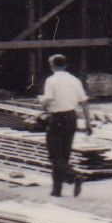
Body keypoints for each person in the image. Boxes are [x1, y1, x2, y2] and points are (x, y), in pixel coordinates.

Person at [40, 54, 92, 198]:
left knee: (54, 155)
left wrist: (42, 103)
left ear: (52, 65)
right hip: (71, 118)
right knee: (64, 155)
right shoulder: (75, 80)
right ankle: (56, 191)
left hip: (57, 118)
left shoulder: (51, 81)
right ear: (65, 65)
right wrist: (88, 124)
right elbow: (84, 103)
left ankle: (75, 176)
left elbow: (48, 101)